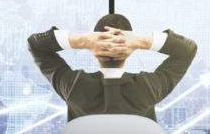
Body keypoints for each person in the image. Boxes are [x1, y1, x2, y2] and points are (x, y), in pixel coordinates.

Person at [27, 13, 197, 122]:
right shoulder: (148, 88)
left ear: (94, 51)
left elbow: (35, 45)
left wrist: (83, 41)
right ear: (130, 51)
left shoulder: (74, 86)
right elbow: (188, 50)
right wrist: (141, 41)